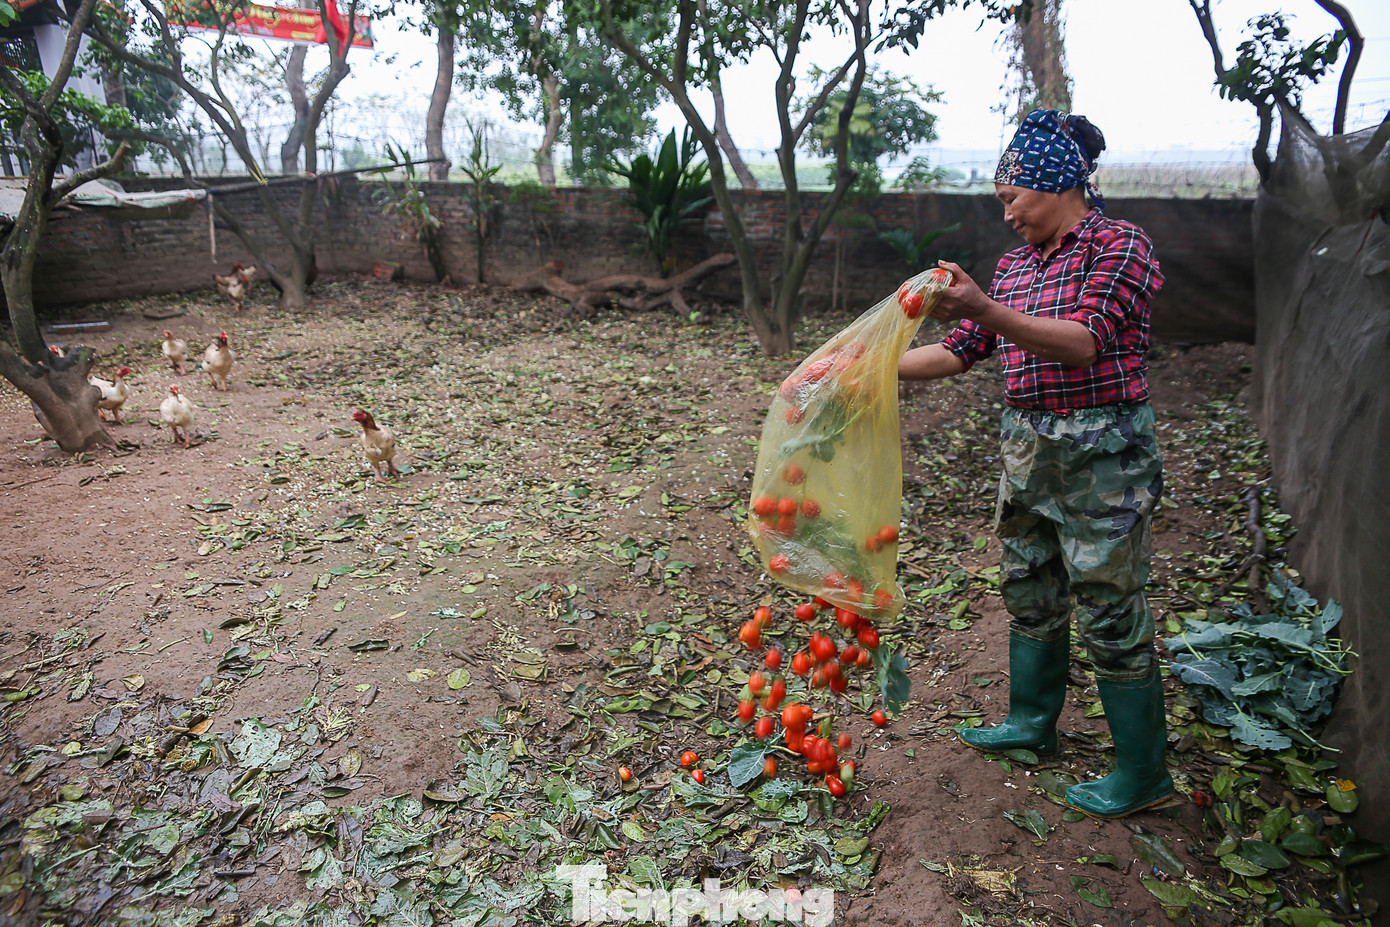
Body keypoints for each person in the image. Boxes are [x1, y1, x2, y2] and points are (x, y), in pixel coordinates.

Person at [898, 109, 1173, 819]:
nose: (1008, 214)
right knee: (1031, 587)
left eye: (1012, 198)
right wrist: (869, 370)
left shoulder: (1119, 247)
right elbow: (961, 350)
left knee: (1109, 606)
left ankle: (1142, 772)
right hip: (1028, 455)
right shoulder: (1017, 267)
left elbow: (1082, 342)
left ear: (1055, 184)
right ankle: (1032, 723)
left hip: (1102, 457)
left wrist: (987, 309)